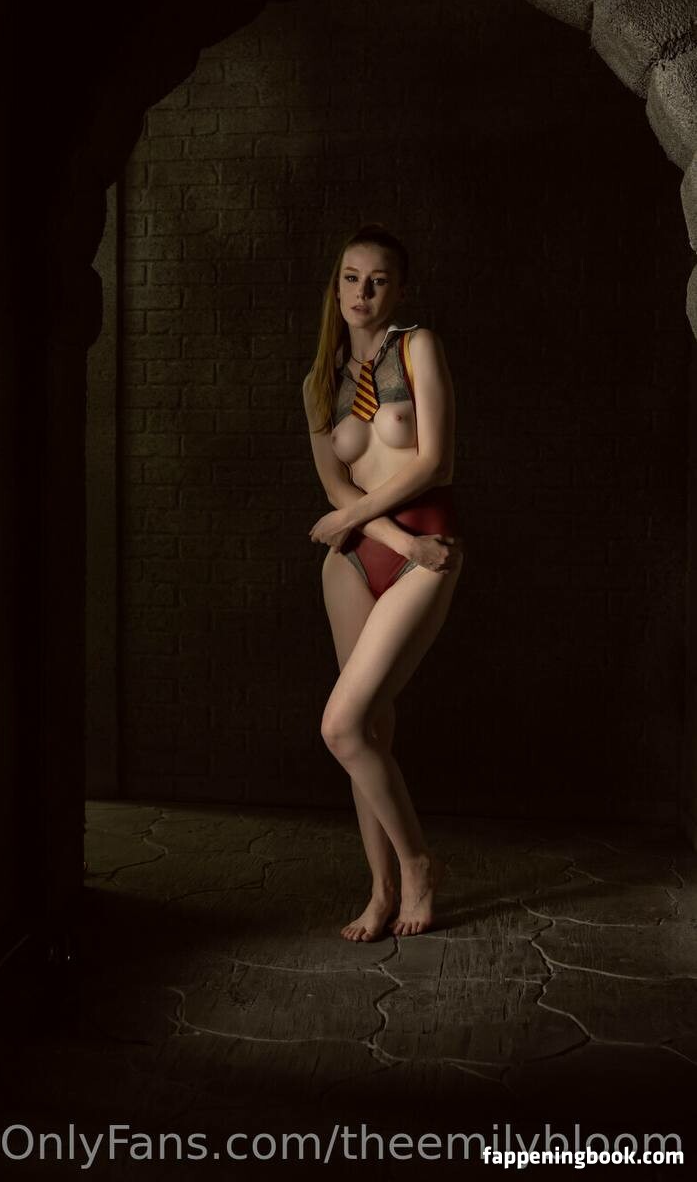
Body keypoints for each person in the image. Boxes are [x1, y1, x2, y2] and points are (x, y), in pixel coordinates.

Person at [302, 223, 465, 942]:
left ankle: (418, 864)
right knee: (366, 731)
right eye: (350, 277)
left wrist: (380, 531)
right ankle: (381, 890)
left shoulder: (417, 346)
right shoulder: (318, 380)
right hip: (360, 559)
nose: (361, 292)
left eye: (377, 280)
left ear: (398, 289)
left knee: (340, 725)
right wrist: (388, 535)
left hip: (430, 550)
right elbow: (335, 487)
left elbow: (436, 463)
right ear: (335, 286)